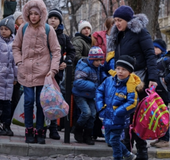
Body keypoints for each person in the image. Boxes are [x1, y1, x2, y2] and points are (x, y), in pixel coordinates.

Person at [108, 5, 158, 160]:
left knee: (136, 117)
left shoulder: (140, 32)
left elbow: (150, 55)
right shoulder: (118, 35)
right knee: (123, 116)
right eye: (115, 20)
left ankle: (142, 152)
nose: (117, 23)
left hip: (138, 80)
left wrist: (153, 78)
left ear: (128, 20)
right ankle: (127, 151)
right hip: (122, 78)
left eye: (120, 20)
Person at [12, 0, 61, 144]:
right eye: (31, 13)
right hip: (25, 71)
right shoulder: (23, 28)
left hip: (44, 72)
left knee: (41, 102)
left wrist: (53, 70)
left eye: (36, 14)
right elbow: (16, 47)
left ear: (41, 14)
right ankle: (29, 130)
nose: (33, 16)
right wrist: (19, 62)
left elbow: (56, 51)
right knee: (28, 101)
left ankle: (40, 130)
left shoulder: (48, 29)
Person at [96, 55, 142, 160]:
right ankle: (128, 154)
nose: (120, 71)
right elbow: (99, 91)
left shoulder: (130, 86)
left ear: (129, 72)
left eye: (124, 69)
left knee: (114, 140)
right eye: (118, 68)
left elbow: (132, 103)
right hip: (106, 115)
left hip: (118, 118)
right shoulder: (109, 80)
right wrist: (101, 107)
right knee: (109, 140)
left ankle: (118, 157)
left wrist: (117, 112)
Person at [47, 8, 75, 140]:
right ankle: (39, 127)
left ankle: (53, 128)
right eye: (51, 17)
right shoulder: (42, 33)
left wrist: (66, 61)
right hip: (41, 72)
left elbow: (72, 52)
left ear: (60, 21)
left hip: (56, 74)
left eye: (56, 18)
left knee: (53, 101)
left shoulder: (63, 37)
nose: (53, 20)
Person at [72, 46, 104, 145]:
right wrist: (95, 86)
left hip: (90, 95)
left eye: (100, 60)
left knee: (93, 114)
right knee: (86, 112)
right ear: (91, 59)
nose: (99, 62)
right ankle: (78, 129)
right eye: (96, 60)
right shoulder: (84, 67)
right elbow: (78, 82)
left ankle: (87, 134)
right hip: (81, 94)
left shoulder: (97, 68)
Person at [150, 39, 170, 148]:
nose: (153, 50)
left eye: (156, 48)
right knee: (157, 117)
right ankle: (160, 138)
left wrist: (165, 80)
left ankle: (165, 139)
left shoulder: (166, 59)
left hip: (164, 92)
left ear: (161, 49)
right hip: (156, 92)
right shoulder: (154, 60)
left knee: (163, 117)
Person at [0, 15, 17, 136]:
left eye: (6, 29)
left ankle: (7, 125)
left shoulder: (15, 43)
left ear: (11, 30)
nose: (3, 31)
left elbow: (16, 63)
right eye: (1, 29)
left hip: (9, 78)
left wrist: (16, 77)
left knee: (7, 104)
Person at [10, 11, 24, 122]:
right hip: (12, 67)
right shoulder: (10, 31)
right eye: (20, 18)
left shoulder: (26, 30)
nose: (23, 20)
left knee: (16, 95)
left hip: (21, 67)